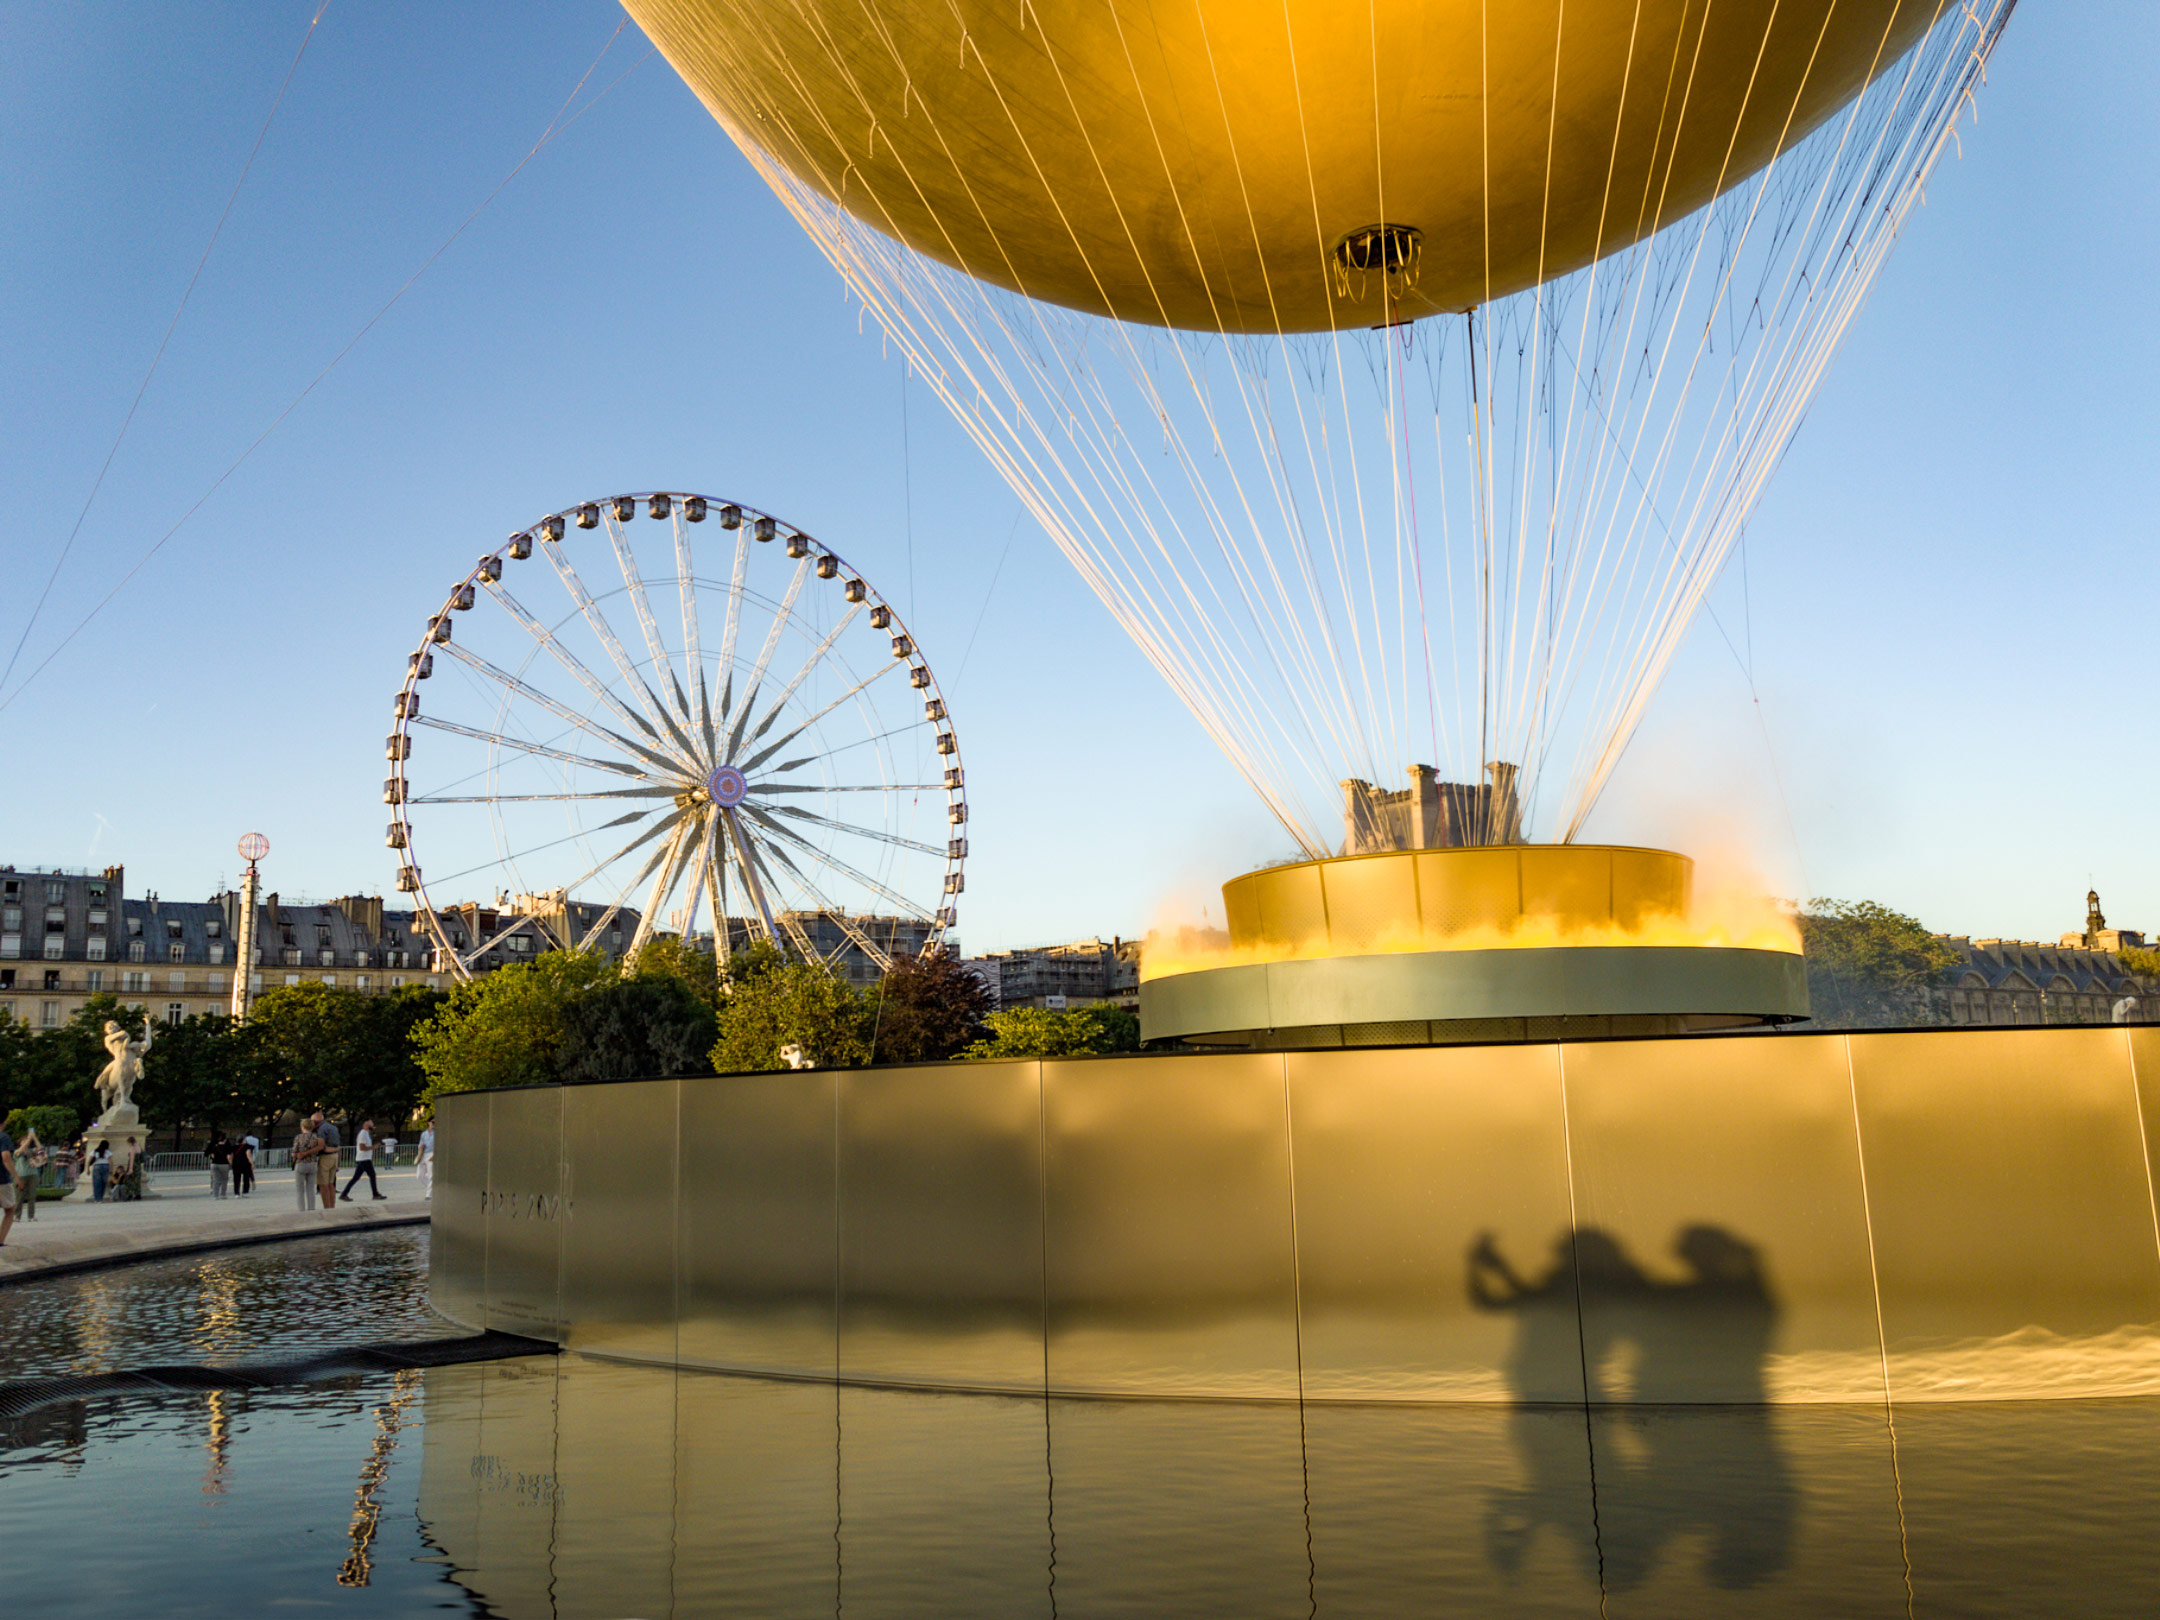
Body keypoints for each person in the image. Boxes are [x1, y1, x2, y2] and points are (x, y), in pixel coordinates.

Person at [340, 1118, 387, 1202]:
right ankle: (375, 1194)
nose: (373, 1127)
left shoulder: (366, 1134)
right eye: (372, 1125)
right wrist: (373, 1147)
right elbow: (362, 1147)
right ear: (367, 1125)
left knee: (356, 1178)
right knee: (372, 1175)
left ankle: (344, 1194)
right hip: (364, 1159)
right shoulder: (363, 1134)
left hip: (363, 1159)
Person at [291, 1116, 328, 1212]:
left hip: (301, 1164)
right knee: (311, 1189)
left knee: (300, 1190)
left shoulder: (299, 1137)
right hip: (313, 1163)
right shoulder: (317, 1137)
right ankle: (311, 1209)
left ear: (303, 1127)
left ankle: (302, 1210)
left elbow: (294, 1153)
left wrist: (296, 1154)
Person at [13, 1129, 45, 1223]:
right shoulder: (17, 1152)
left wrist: (34, 1137)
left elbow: (40, 1149)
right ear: (20, 1143)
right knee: (19, 1197)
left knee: (32, 1196)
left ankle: (31, 1216)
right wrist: (28, 1139)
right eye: (23, 1141)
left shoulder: (32, 1151)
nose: (26, 1142)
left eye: (27, 1140)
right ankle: (17, 1216)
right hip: (21, 1175)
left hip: (32, 1175)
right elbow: (19, 1151)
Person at [315, 1113, 342, 1210]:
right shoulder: (333, 1128)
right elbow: (337, 1145)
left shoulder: (321, 1129)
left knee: (323, 1185)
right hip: (334, 1157)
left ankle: (327, 1207)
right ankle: (332, 1206)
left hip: (325, 1158)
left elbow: (322, 1146)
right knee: (331, 1184)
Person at [0, 1122, 16, 1248]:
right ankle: (0, 1241)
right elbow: (6, 1156)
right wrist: (16, 1176)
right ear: (5, 1121)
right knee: (10, 1209)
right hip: (2, 1179)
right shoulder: (3, 1137)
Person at [207, 1132, 232, 1199]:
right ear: (225, 1140)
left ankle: (215, 1195)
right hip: (224, 1164)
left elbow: (212, 1155)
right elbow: (229, 1157)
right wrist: (231, 1164)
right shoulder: (227, 1148)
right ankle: (223, 1194)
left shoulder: (214, 1147)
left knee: (216, 1180)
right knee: (224, 1179)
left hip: (214, 1164)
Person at [417, 1122, 435, 1200]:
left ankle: (428, 1194)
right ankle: (432, 1189)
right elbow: (420, 1144)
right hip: (423, 1153)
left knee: (431, 1175)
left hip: (432, 1153)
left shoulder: (437, 1133)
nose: (434, 1124)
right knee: (419, 1176)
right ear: (429, 1122)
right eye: (433, 1122)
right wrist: (421, 1148)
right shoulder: (424, 1134)